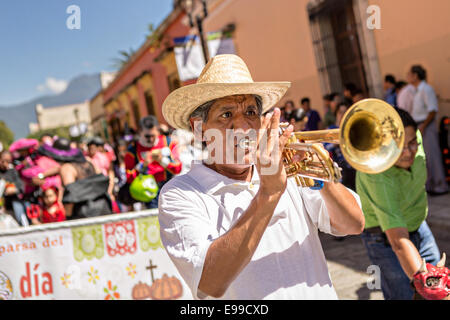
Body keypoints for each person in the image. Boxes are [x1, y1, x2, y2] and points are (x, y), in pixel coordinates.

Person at [158, 54, 364, 300]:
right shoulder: (179, 193)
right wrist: (269, 192)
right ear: (199, 128)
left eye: (251, 112)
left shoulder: (289, 170)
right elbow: (209, 284)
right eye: (226, 115)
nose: (244, 128)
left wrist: (318, 176)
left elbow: (354, 224)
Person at [357, 108, 446, 300]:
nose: (408, 152)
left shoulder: (415, 139)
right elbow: (398, 241)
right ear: (383, 147)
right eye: (399, 147)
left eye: (413, 143)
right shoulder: (375, 173)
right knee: (405, 295)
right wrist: (430, 289)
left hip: (418, 225)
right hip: (384, 239)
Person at [42, 138, 112, 220]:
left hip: (84, 213)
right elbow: (102, 178)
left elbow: (71, 194)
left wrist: (68, 217)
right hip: (103, 206)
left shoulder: (67, 168)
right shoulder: (88, 161)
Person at [124, 115, 182, 209]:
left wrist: (162, 160)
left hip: (170, 188)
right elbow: (129, 177)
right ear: (140, 132)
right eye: (147, 136)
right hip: (148, 193)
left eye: (153, 136)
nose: (150, 139)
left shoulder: (169, 142)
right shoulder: (132, 150)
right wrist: (142, 164)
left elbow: (178, 168)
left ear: (158, 131)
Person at [408, 65, 448, 195]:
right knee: (425, 158)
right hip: (420, 126)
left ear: (415, 75)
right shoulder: (417, 91)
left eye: (410, 74)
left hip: (426, 126)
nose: (408, 76)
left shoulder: (426, 89)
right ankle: (431, 185)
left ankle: (440, 186)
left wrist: (423, 126)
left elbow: (432, 110)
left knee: (433, 156)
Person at [0, 150, 27, 226]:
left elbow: (21, 187)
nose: (5, 164)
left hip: (12, 205)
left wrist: (15, 189)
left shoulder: (12, 172)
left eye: (8, 161)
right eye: (3, 161)